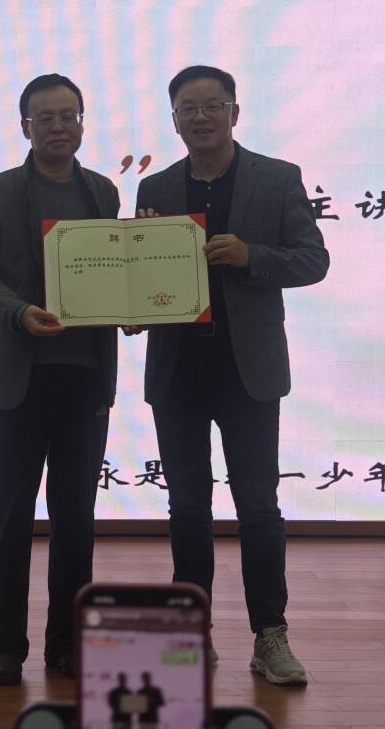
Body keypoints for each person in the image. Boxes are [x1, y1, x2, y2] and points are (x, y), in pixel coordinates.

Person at [131, 65, 329, 686]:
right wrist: (128, 303)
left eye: (211, 106)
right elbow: (142, 277)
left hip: (249, 372)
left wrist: (251, 257)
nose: (201, 117)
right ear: (174, 120)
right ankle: (192, 631)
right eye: (188, 108)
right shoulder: (156, 187)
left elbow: (313, 261)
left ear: (234, 113)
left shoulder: (277, 178)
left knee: (259, 506)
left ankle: (270, 635)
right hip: (178, 371)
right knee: (187, 506)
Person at [0, 73, 119, 686]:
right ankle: (3, 648)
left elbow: (117, 273)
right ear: (25, 127)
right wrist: (19, 312)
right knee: (9, 518)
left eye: (68, 115)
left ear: (82, 122)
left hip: (84, 377)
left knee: (76, 518)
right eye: (44, 118)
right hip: (14, 380)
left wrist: (135, 306)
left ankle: (68, 644)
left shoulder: (102, 191)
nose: (58, 127)